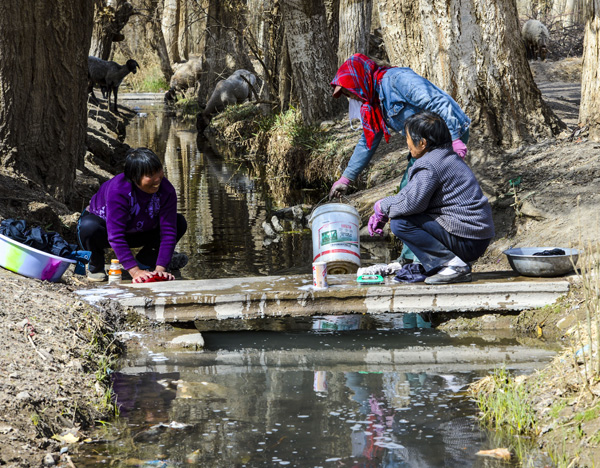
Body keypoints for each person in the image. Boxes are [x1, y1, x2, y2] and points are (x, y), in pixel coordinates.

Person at [329, 53, 471, 264]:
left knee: (419, 197)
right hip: (422, 146)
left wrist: (455, 137)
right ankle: (411, 258)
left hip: (446, 135)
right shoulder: (373, 102)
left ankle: (433, 257)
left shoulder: (397, 80)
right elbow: (367, 142)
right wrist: (346, 179)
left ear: (360, 79)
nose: (353, 98)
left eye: (351, 91)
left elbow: (438, 102)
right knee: (407, 194)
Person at [367, 111, 494, 285]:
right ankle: (448, 264)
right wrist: (384, 207)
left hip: (467, 238)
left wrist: (382, 207)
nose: (407, 143)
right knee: (402, 217)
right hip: (476, 238)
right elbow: (409, 195)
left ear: (423, 143)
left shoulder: (429, 164)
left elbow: (410, 204)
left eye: (408, 139)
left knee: (400, 223)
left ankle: (454, 266)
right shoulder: (446, 156)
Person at [77, 147, 188, 283]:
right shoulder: (118, 190)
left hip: (141, 230)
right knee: (88, 227)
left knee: (179, 222)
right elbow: (115, 235)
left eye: (159, 171)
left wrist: (160, 271)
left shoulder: (167, 190)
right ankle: (96, 266)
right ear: (134, 178)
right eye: (150, 175)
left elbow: (168, 232)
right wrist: (134, 272)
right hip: (106, 230)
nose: (158, 178)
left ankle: (145, 262)